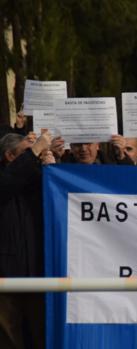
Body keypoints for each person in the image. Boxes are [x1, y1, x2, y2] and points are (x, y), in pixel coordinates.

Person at [0, 131, 54, 349]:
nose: (35, 156)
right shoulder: (5, 178)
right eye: (26, 153)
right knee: (9, 337)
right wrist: (36, 148)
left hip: (39, 273)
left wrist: (53, 168)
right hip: (6, 276)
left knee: (41, 335)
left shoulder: (37, 177)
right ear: (10, 156)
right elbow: (8, 182)